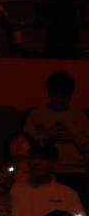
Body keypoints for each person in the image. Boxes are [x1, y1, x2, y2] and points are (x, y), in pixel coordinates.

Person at [24, 71, 89, 204]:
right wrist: (47, 136)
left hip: (75, 172)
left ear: (70, 96)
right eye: (56, 95)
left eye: (63, 96)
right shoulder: (36, 115)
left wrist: (73, 137)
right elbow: (26, 144)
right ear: (49, 94)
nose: (59, 100)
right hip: (43, 172)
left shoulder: (80, 117)